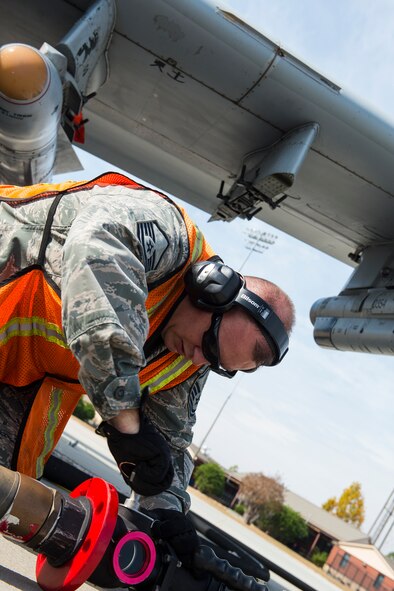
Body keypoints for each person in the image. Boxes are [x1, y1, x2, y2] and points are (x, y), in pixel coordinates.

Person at [0, 172, 294, 564]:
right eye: (209, 345)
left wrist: (171, 521)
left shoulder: (190, 356)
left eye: (218, 364)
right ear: (210, 290)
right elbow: (95, 265)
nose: (201, 360)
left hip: (22, 373)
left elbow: (166, 446)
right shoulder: (165, 232)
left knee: (12, 498)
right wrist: (127, 425)